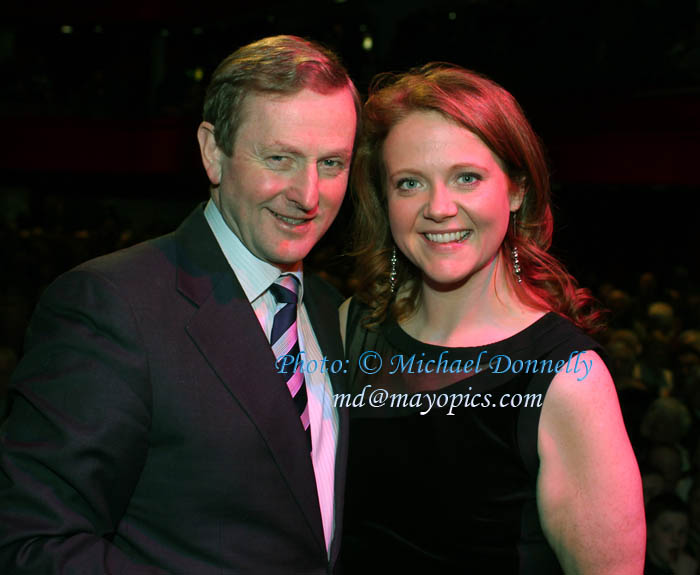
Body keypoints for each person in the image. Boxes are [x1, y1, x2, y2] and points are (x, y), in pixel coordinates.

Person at [0, 35, 358, 574]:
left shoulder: (334, 313)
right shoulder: (112, 306)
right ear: (213, 151)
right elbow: (31, 543)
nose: (308, 194)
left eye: (331, 163)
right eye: (279, 158)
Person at [339, 64, 645, 573]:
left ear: (517, 189)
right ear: (385, 200)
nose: (439, 207)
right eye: (410, 182)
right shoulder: (354, 327)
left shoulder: (569, 379)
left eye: (467, 177)